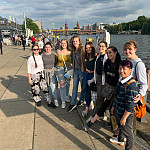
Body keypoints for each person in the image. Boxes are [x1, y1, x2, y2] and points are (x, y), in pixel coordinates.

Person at [85, 46, 121, 129]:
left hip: (114, 90)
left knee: (111, 108)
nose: (108, 54)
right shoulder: (107, 62)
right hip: (107, 87)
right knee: (102, 103)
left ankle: (116, 131)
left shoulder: (119, 64)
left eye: (110, 52)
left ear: (115, 53)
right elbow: (103, 73)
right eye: (107, 52)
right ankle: (94, 120)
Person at [109, 60, 139, 150]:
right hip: (118, 110)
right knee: (121, 128)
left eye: (124, 69)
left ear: (130, 70)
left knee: (129, 134)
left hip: (125, 114)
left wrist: (124, 117)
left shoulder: (132, 85)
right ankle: (120, 140)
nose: (121, 71)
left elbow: (130, 105)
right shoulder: (121, 81)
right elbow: (117, 95)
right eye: (120, 69)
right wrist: (113, 106)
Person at [86, 41, 108, 122]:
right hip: (98, 80)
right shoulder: (98, 57)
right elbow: (96, 70)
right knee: (99, 98)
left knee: (101, 98)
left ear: (106, 48)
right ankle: (101, 114)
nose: (101, 48)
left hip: (103, 81)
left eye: (103, 46)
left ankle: (96, 115)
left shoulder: (106, 57)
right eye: (100, 46)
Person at [67, 35, 86, 112]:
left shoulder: (82, 50)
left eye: (76, 41)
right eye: (73, 41)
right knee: (74, 88)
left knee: (83, 87)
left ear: (79, 42)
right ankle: (73, 103)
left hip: (82, 71)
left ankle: (81, 100)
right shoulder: (73, 51)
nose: (75, 42)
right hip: (76, 71)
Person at [81, 42, 96, 118]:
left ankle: (94, 109)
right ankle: (86, 108)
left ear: (92, 47)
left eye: (89, 47)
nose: (88, 49)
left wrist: (91, 71)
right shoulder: (86, 57)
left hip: (93, 77)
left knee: (93, 94)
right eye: (86, 48)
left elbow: (99, 69)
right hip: (86, 76)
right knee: (86, 92)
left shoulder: (96, 57)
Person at [56, 39, 72, 108]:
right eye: (62, 43)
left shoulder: (70, 52)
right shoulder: (58, 51)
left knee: (68, 84)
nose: (63, 45)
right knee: (62, 84)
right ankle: (63, 101)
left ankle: (66, 95)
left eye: (64, 43)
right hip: (60, 69)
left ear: (67, 43)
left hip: (68, 69)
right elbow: (55, 60)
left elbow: (73, 60)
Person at [42, 42, 58, 107]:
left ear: (51, 48)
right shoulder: (42, 56)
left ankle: (56, 100)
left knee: (53, 87)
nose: (48, 49)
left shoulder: (54, 55)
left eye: (49, 47)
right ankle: (48, 99)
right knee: (46, 88)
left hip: (51, 73)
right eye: (46, 47)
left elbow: (56, 63)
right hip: (45, 73)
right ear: (45, 48)